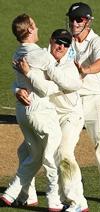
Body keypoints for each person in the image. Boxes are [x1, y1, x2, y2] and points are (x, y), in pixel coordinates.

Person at [13, 29, 89, 211]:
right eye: (58, 42)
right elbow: (20, 79)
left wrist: (30, 74)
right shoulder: (40, 57)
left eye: (66, 44)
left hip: (70, 115)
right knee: (25, 150)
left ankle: (77, 201)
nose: (61, 47)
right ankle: (26, 196)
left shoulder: (69, 67)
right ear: (51, 40)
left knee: (63, 152)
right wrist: (16, 90)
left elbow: (46, 88)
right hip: (50, 115)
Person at [0, 14, 67, 211]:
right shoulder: (41, 55)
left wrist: (17, 90)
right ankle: (54, 201)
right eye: (35, 26)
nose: (37, 29)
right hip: (40, 112)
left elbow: (22, 83)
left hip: (23, 113)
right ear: (29, 30)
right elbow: (46, 89)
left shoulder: (16, 53)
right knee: (50, 155)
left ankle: (10, 193)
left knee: (35, 156)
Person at [66, 2, 100, 204]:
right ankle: (74, 186)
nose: (74, 23)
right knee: (65, 147)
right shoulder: (65, 40)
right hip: (71, 101)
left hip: (96, 100)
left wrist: (85, 70)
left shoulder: (98, 41)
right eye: (72, 19)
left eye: (79, 19)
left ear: (88, 21)